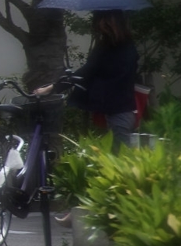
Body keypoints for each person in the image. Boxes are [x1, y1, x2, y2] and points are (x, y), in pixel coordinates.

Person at [38, 9, 138, 152]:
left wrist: (52, 88)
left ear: (110, 23)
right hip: (121, 109)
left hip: (118, 111)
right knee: (119, 156)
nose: (98, 26)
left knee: (120, 158)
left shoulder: (109, 48)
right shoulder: (127, 46)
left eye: (101, 22)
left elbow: (86, 73)